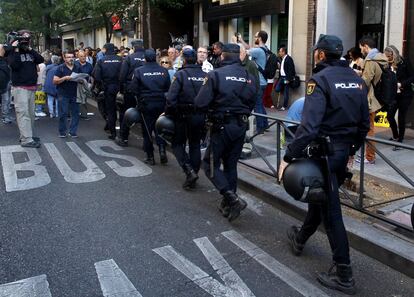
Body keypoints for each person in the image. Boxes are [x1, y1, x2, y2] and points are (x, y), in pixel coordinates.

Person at [279, 34, 370, 295]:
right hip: (341, 154)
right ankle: (299, 239)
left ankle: (344, 274)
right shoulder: (357, 80)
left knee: (332, 214)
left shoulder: (319, 80)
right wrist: (350, 149)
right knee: (321, 201)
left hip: (324, 155)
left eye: (315, 51)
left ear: (320, 54)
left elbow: (308, 129)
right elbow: (364, 124)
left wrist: (288, 158)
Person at [194, 44, 258, 222]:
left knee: (209, 165)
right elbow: (253, 101)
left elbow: (200, 103)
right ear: (239, 57)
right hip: (240, 126)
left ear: (222, 57)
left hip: (221, 126)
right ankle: (229, 203)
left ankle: (231, 198)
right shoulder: (250, 77)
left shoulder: (215, 75)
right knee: (231, 165)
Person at [165, 49, 206, 189]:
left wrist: (169, 113)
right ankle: (193, 174)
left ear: (184, 60)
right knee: (195, 145)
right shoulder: (206, 75)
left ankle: (189, 171)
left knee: (177, 144)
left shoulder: (180, 75)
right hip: (200, 116)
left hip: (182, 116)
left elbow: (171, 99)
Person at [130, 49, 171, 165]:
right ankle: (162, 150)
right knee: (160, 129)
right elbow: (168, 88)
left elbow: (133, 89)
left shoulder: (139, 71)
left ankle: (150, 157)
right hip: (161, 104)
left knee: (147, 131)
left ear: (145, 59)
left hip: (146, 105)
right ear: (156, 58)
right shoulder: (163, 71)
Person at [8, 30, 44, 148]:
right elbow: (15, 65)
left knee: (30, 114)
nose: (25, 41)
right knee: (23, 113)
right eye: (23, 39)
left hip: (31, 87)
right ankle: (26, 139)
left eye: (27, 39)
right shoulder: (13, 52)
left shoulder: (30, 52)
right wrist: (16, 49)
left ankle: (30, 135)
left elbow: (40, 59)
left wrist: (29, 48)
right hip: (20, 87)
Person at [358, 36, 388, 164]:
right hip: (377, 97)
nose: (361, 51)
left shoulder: (370, 60)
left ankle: (369, 157)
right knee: (368, 127)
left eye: (361, 48)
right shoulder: (382, 58)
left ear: (365, 46)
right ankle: (367, 155)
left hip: (369, 99)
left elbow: (366, 82)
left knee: (369, 129)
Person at [384, 45, 414, 149]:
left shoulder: (404, 62)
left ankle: (400, 141)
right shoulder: (387, 64)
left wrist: (401, 84)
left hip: (405, 94)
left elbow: (412, 77)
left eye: (389, 56)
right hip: (394, 95)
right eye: (386, 56)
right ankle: (395, 135)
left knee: (401, 117)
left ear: (393, 54)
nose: (387, 58)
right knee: (389, 116)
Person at [239, 31, 269, 133]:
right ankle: (265, 124)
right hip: (264, 81)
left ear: (259, 38)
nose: (254, 38)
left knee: (257, 105)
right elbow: (248, 48)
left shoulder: (258, 51)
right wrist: (241, 40)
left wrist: (237, 42)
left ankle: (260, 128)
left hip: (259, 82)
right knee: (261, 104)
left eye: (256, 37)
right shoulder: (265, 49)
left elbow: (243, 52)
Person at [117, 39, 146, 146]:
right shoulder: (147, 57)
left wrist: (121, 90)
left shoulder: (129, 58)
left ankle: (124, 138)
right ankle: (146, 142)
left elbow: (122, 76)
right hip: (144, 90)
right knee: (144, 116)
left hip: (130, 89)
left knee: (127, 113)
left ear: (133, 47)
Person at [94, 43, 123, 139]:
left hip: (108, 88)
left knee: (111, 111)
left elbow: (97, 76)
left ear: (105, 49)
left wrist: (102, 84)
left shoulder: (101, 60)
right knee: (122, 110)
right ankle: (123, 133)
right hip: (120, 89)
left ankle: (113, 132)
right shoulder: (120, 59)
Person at [53, 51, 81, 138]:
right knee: (63, 113)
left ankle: (73, 132)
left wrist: (80, 79)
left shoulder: (77, 67)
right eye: (68, 57)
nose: (71, 58)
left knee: (75, 113)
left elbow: (81, 78)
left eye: (72, 57)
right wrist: (65, 78)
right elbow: (54, 81)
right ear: (64, 58)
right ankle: (62, 132)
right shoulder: (60, 68)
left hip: (75, 93)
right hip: (63, 94)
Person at [275, 46, 296, 110]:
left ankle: (284, 106)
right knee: (277, 88)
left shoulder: (289, 59)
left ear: (284, 52)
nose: (279, 53)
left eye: (280, 52)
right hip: (281, 78)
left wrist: (288, 79)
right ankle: (282, 89)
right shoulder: (282, 59)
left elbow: (291, 69)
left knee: (286, 92)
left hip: (286, 78)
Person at [75, 50, 94, 120]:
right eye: (81, 56)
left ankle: (84, 115)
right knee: (76, 100)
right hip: (76, 84)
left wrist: (91, 84)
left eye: (84, 56)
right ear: (78, 57)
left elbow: (92, 76)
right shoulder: (75, 64)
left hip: (86, 85)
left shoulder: (89, 65)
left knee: (84, 100)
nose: (83, 58)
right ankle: (74, 115)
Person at [0, 44, 12, 124]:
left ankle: (6, 116)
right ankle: (5, 116)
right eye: (2, 48)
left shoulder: (5, 59)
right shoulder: (2, 60)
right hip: (3, 83)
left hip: (7, 82)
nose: (4, 50)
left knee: (7, 100)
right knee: (6, 100)